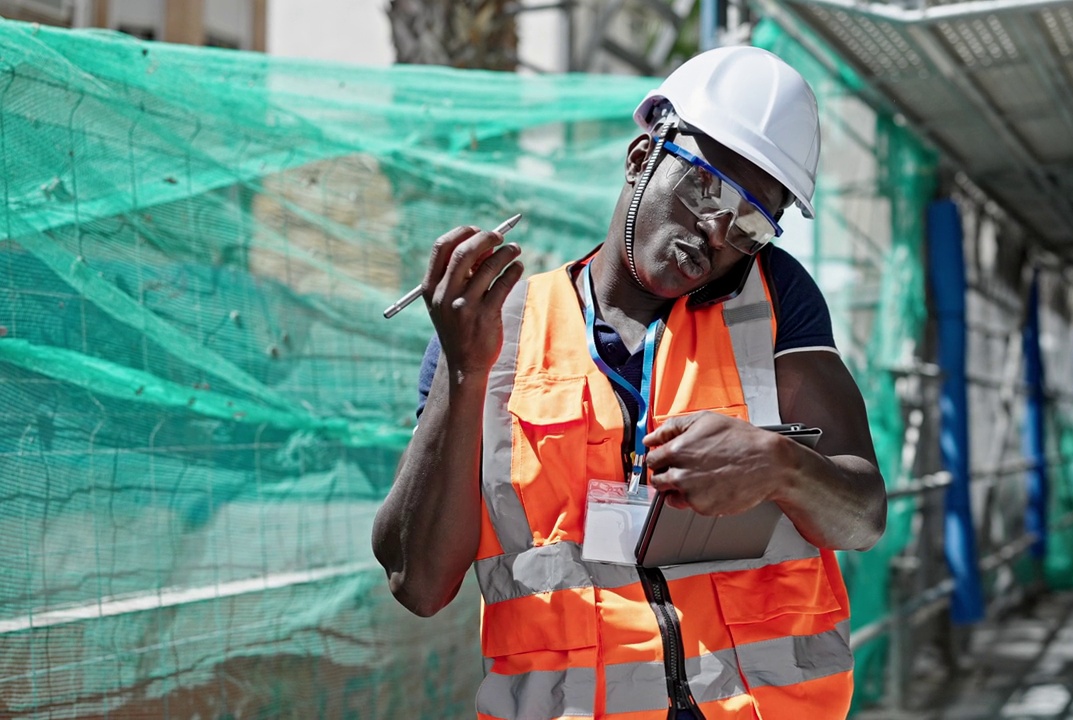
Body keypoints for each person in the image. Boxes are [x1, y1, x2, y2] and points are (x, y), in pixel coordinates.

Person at [372, 46, 887, 720]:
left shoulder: (772, 296)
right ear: (642, 158)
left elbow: (863, 514)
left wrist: (778, 465)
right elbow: (419, 583)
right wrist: (464, 372)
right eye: (706, 187)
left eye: (752, 223)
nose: (717, 232)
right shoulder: (494, 334)